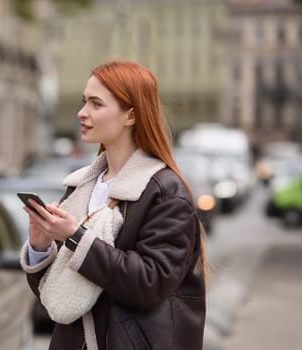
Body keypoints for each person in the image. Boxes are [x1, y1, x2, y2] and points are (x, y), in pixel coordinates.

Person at [20, 60, 207, 350]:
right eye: (85, 102)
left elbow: (149, 284)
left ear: (131, 115)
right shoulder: (81, 185)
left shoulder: (165, 192)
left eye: (96, 104)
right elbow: (56, 295)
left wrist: (76, 238)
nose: (82, 113)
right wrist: (40, 246)